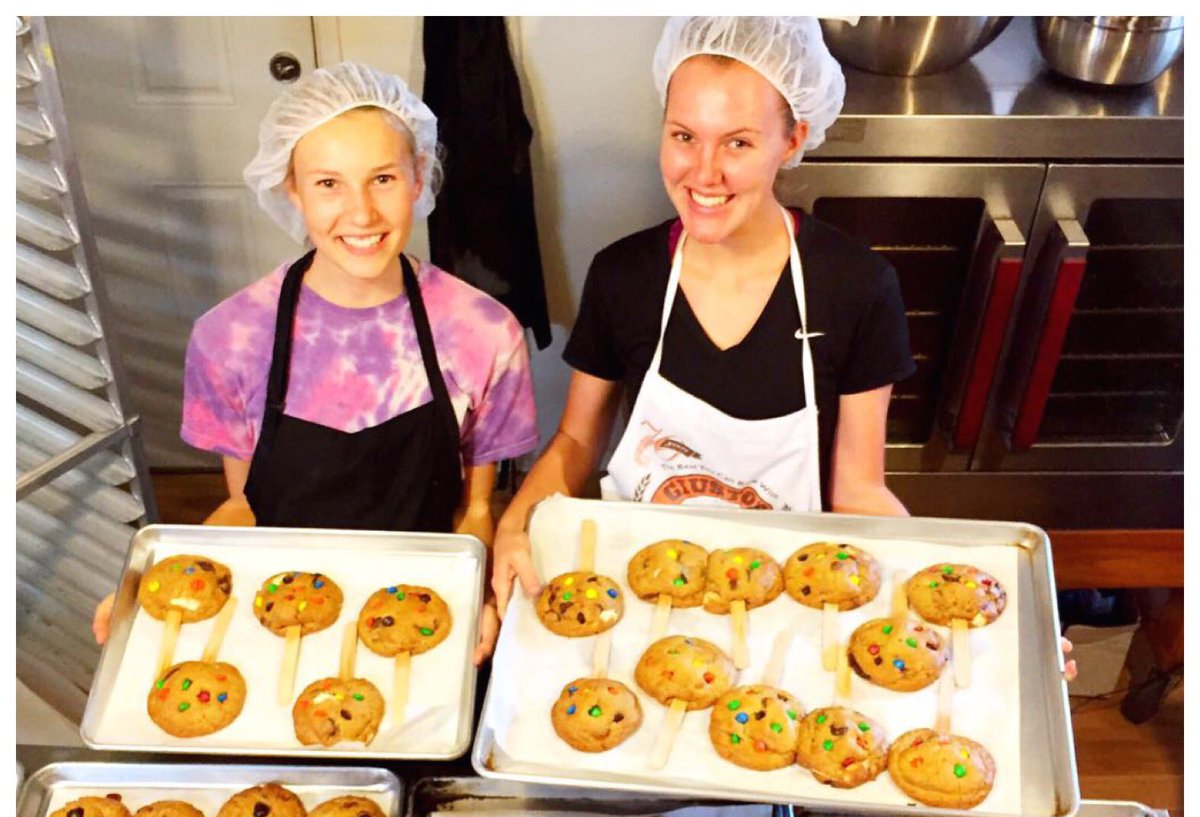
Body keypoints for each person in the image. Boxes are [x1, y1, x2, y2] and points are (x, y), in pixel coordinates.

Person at [93, 62, 540, 663]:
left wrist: (471, 599)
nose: (360, 214)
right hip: (281, 621)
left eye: (382, 178)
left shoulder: (484, 332)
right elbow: (246, 504)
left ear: (418, 179)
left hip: (424, 618)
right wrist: (161, 579)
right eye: (328, 184)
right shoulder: (230, 337)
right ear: (292, 190)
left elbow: (477, 508)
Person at [493, 16, 912, 614]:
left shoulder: (857, 287)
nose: (704, 173)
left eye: (738, 142)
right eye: (684, 136)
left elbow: (859, 490)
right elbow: (577, 439)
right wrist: (516, 523)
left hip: (787, 600)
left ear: (792, 140)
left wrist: (953, 595)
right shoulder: (624, 276)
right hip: (636, 586)